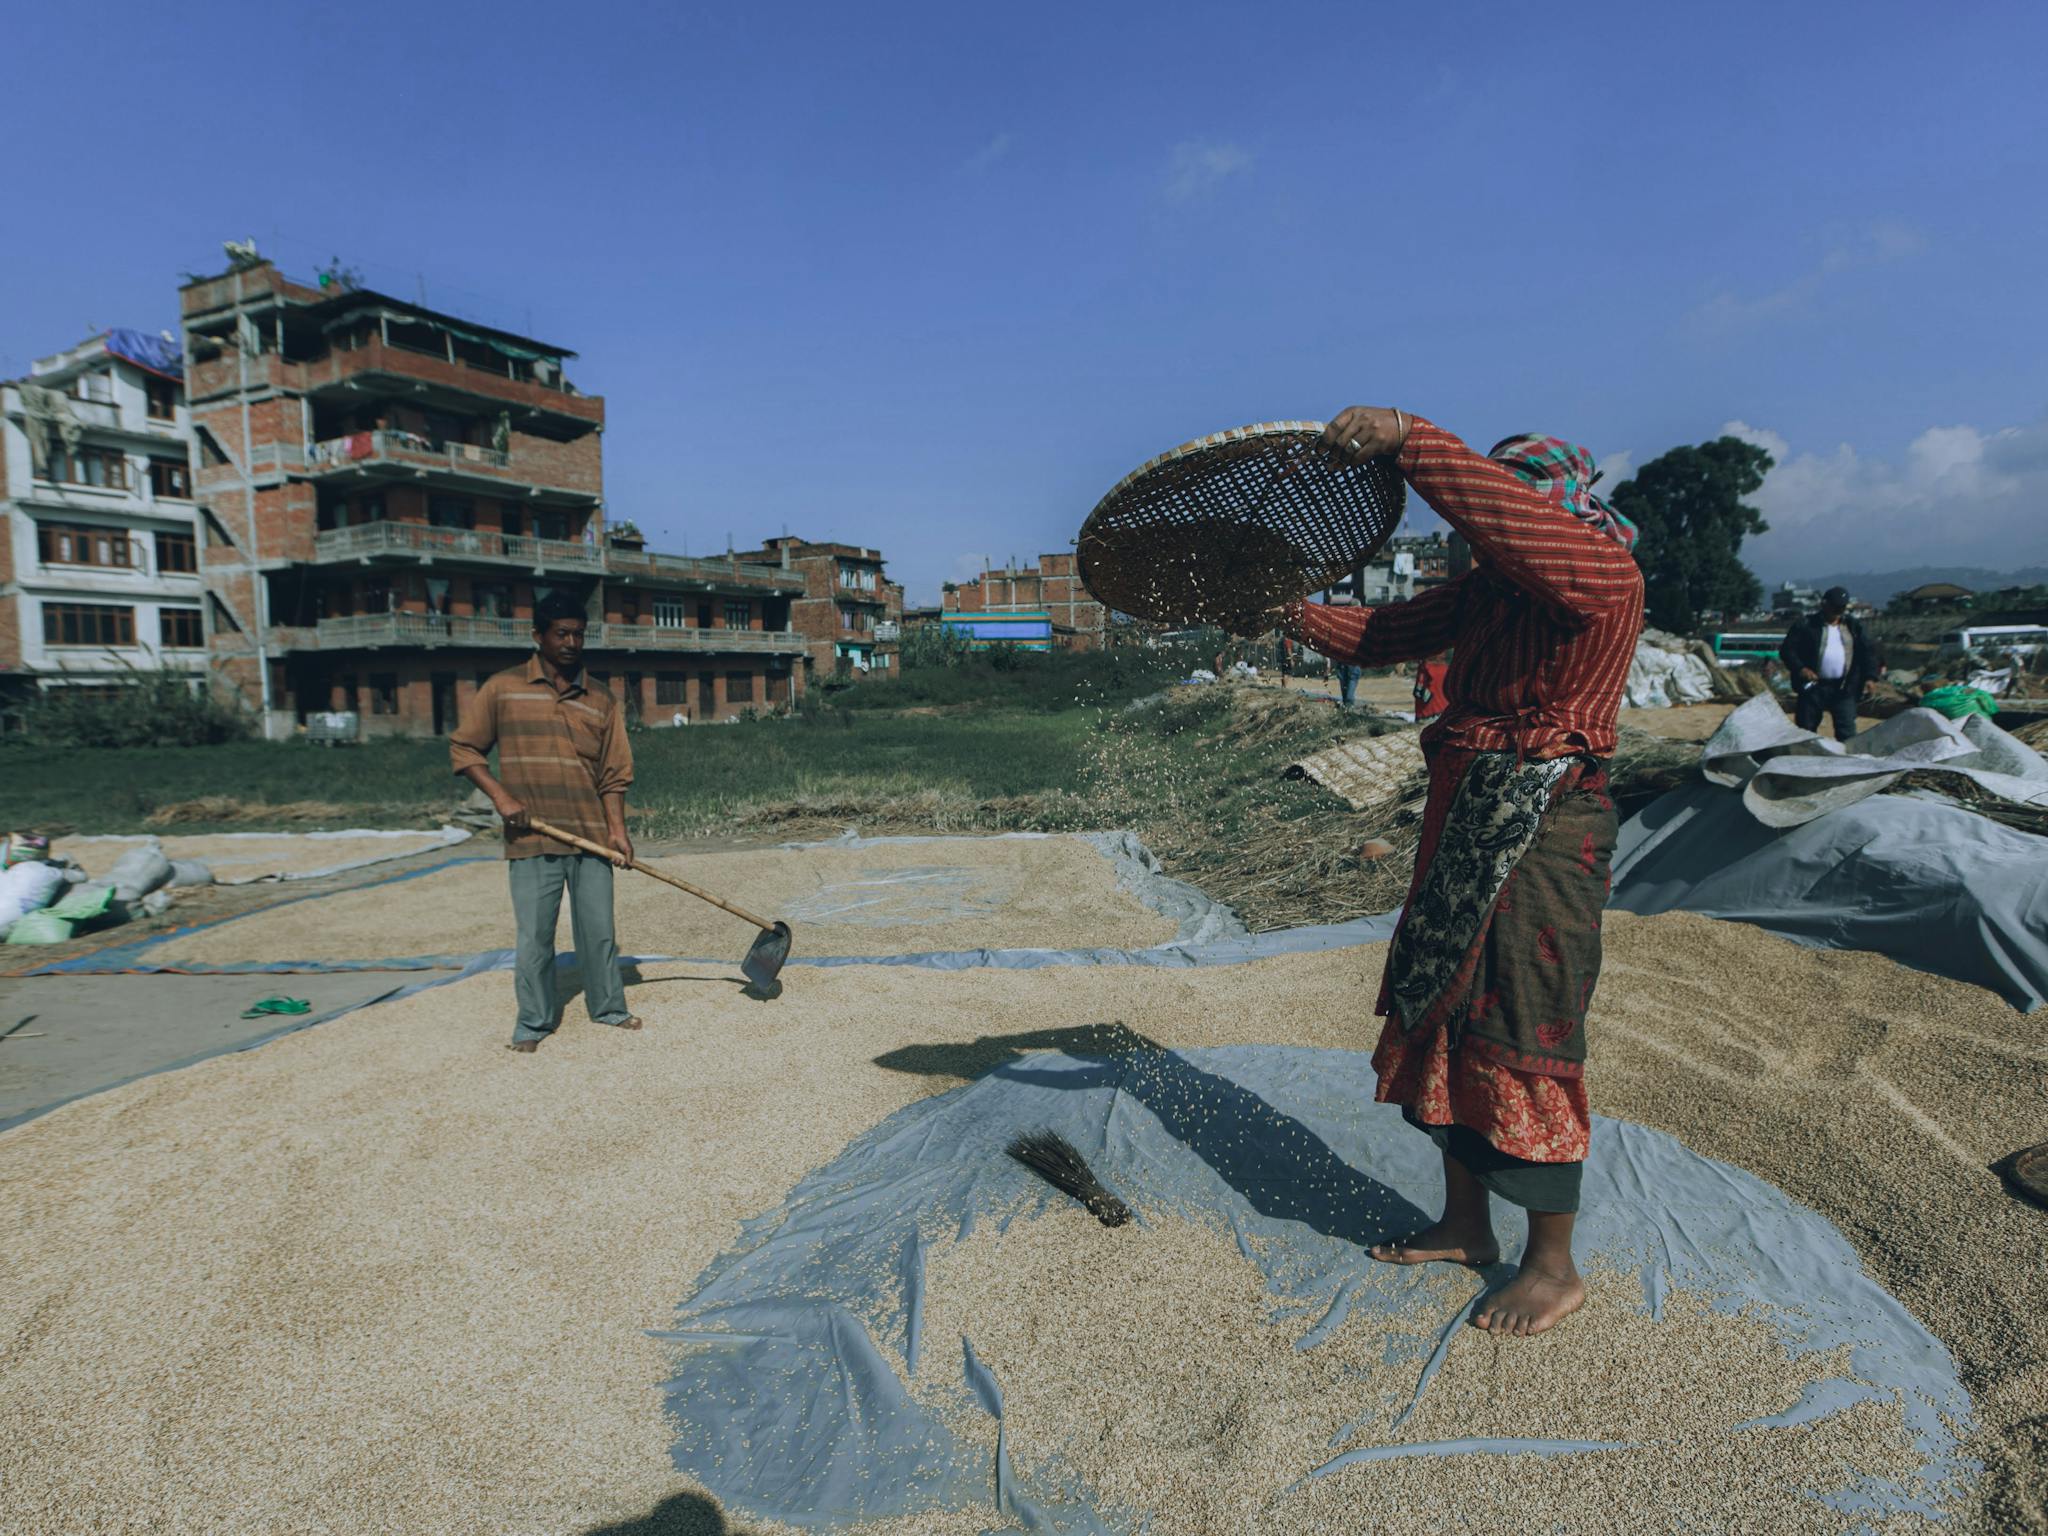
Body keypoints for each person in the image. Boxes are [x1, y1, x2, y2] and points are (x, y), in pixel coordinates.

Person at [1277, 406, 1643, 1338]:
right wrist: (1285, 612)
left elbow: (1513, 524)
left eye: (1506, 511)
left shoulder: (1600, 573)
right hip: (1469, 809)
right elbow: (1376, 637)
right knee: (1443, 1002)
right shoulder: (1488, 595)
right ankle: (1465, 1224)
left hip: (1550, 824)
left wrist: (1414, 439)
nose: (1490, 531)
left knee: (1525, 1013)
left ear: (1551, 512)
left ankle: (1553, 1266)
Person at [449, 592, 642, 1052]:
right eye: (562, 633)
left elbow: (614, 773)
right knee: (535, 936)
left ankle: (608, 1007)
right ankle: (534, 1022)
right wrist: (500, 797)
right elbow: (465, 749)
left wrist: (617, 830)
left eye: (579, 633)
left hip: (592, 836)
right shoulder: (502, 689)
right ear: (538, 636)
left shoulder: (601, 699)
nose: (572, 642)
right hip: (531, 835)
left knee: (599, 932)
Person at [1779, 586, 1873, 740]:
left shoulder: (1853, 627)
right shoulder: (1806, 625)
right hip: (1813, 687)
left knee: (1847, 730)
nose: (1838, 611)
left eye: (1841, 607)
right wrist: (1801, 668)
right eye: (1835, 606)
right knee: (1806, 729)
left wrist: (1870, 677)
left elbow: (1867, 652)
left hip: (1844, 687)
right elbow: (1788, 651)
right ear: (1825, 604)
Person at [1329, 592, 1365, 707]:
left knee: (1345, 687)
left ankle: (1347, 709)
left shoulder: (1342, 622)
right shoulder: (1361, 622)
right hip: (1353, 658)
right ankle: (1348, 709)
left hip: (1344, 659)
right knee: (1350, 684)